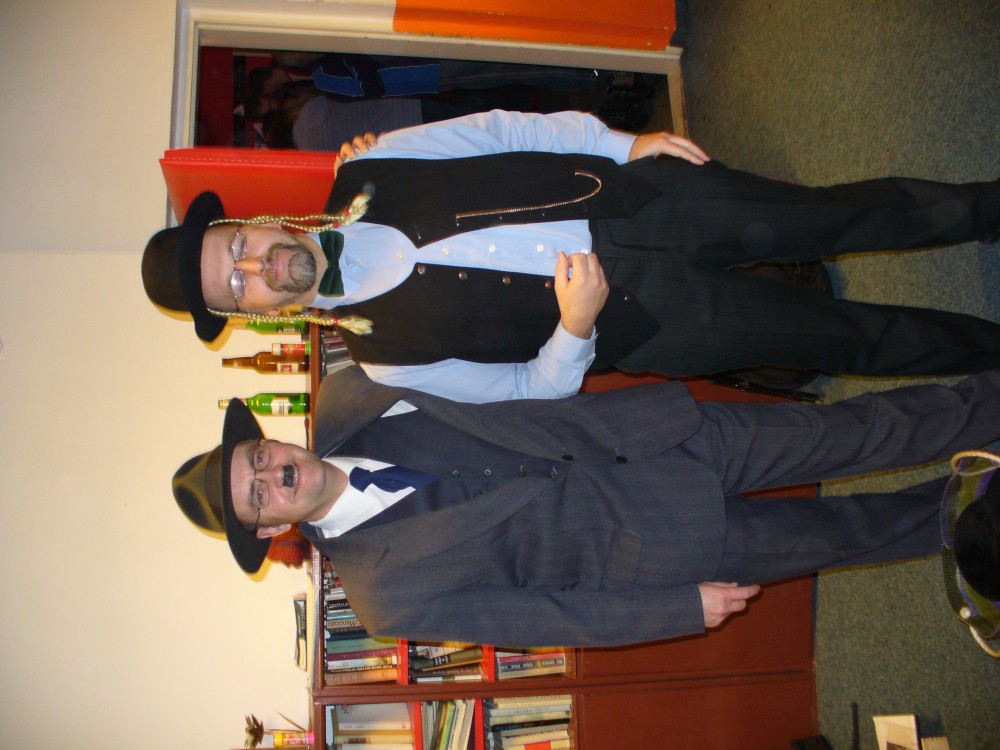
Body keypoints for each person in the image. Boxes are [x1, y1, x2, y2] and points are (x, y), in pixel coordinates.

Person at [142, 110, 1000, 403]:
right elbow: (529, 389)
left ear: (249, 222)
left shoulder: (371, 164)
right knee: (841, 340)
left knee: (837, 215)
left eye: (237, 247)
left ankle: (985, 207)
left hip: (643, 200)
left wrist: (625, 143)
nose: (257, 268)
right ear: (250, 315)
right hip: (650, 325)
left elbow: (505, 131)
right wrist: (575, 330)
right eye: (237, 285)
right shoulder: (385, 359)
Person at [173, 364, 1000, 647]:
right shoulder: (384, 599)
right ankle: (986, 510)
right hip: (664, 548)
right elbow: (545, 619)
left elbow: (482, 354)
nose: (274, 475)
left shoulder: (354, 389)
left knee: (854, 431)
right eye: (257, 495)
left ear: (269, 440)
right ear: (270, 529)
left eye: (258, 458)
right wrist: (679, 610)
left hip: (656, 437)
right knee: (855, 532)